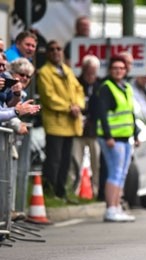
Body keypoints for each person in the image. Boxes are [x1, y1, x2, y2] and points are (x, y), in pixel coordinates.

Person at [36, 40, 84, 201]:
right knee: (53, 160)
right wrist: (69, 107)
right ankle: (50, 193)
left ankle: (61, 192)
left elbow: (79, 89)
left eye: (59, 49)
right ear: (47, 53)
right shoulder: (44, 72)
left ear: (63, 52)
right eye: (52, 49)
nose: (56, 52)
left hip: (70, 123)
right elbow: (49, 98)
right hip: (56, 123)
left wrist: (78, 105)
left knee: (65, 161)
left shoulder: (67, 70)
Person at [96, 55, 139, 222]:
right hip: (112, 138)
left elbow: (130, 113)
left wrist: (135, 133)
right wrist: (108, 136)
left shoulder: (126, 87)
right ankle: (111, 208)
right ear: (110, 70)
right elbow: (102, 115)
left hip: (125, 137)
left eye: (121, 68)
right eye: (115, 68)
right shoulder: (106, 88)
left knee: (122, 173)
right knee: (115, 173)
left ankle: (117, 206)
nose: (118, 71)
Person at [72, 54, 102, 197]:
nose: (91, 74)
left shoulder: (100, 85)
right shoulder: (75, 83)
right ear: (83, 69)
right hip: (77, 129)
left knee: (96, 163)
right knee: (75, 162)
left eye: (94, 71)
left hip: (94, 130)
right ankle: (73, 191)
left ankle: (95, 191)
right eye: (89, 70)